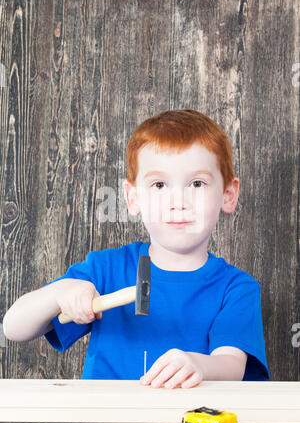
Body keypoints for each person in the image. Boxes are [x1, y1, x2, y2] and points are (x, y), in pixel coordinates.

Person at [3, 109, 269, 387]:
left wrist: (197, 363)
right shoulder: (105, 271)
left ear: (228, 195)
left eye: (197, 183)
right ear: (133, 198)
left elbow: (232, 365)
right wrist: (60, 293)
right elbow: (13, 327)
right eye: (160, 184)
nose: (178, 201)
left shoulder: (236, 287)